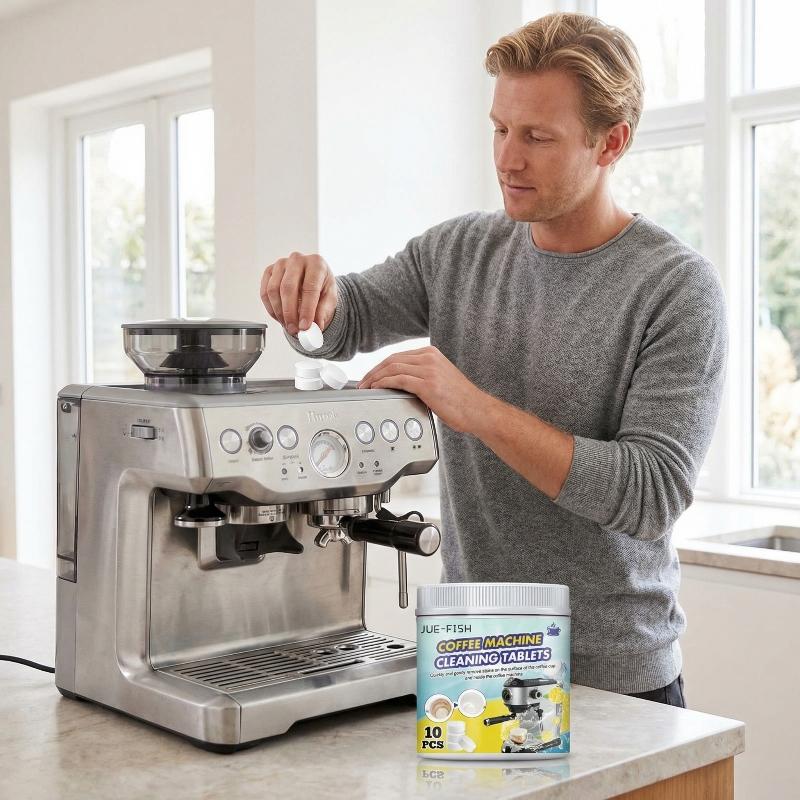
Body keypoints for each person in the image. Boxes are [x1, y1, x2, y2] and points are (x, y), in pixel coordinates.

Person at [259, 12, 727, 707]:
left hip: (610, 673)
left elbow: (650, 494)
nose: (508, 158)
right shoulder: (458, 251)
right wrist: (307, 293)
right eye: (500, 128)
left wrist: (474, 410)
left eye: (537, 137)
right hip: (473, 653)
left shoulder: (676, 288)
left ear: (612, 142)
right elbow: (347, 317)